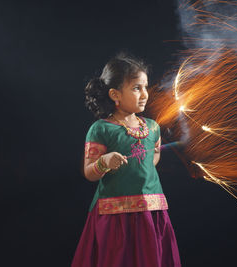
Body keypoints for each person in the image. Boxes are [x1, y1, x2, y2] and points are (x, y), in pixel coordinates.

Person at [72, 53, 181, 267]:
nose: (144, 94)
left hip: (151, 213)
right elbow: (88, 171)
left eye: (145, 87)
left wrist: (143, 163)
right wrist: (104, 162)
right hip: (115, 215)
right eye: (136, 88)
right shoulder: (102, 128)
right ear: (115, 94)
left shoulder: (152, 127)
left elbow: (154, 155)